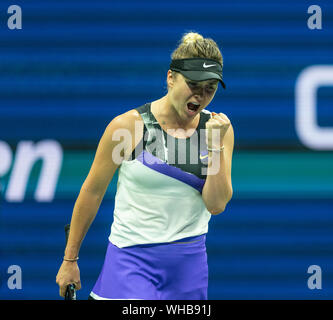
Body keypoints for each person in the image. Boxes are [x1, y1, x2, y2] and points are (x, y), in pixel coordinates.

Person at [56, 31, 234, 300]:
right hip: (130, 262)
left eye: (209, 88)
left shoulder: (219, 130)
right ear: (171, 78)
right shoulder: (126, 128)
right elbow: (92, 192)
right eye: (194, 84)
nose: (201, 95)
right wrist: (70, 260)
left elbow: (216, 205)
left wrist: (215, 146)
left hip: (189, 268)